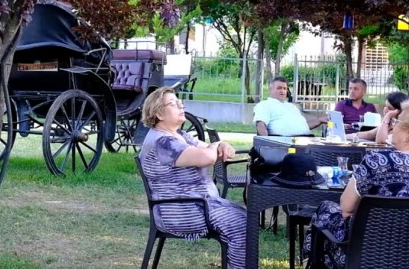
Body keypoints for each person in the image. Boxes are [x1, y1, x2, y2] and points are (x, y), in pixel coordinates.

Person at [138, 87, 245, 269]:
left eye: (180, 102)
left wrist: (220, 143)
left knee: (244, 217)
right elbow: (208, 157)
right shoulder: (164, 142)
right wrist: (216, 146)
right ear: (159, 114)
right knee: (242, 224)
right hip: (180, 211)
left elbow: (208, 147)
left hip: (194, 205)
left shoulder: (178, 135)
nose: (181, 105)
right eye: (173, 103)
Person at [303, 102, 409, 268]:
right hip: (404, 255)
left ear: (407, 135)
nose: (392, 127)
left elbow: (346, 207)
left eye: (396, 123)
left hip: (363, 255)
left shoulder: (378, 161)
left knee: (326, 208)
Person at [253, 77, 327, 136]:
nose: (282, 91)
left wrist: (319, 120)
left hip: (305, 141)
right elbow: (260, 125)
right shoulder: (265, 105)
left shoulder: (292, 107)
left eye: (284, 88)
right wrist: (267, 144)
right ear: (270, 90)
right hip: (284, 144)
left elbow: (303, 126)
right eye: (279, 88)